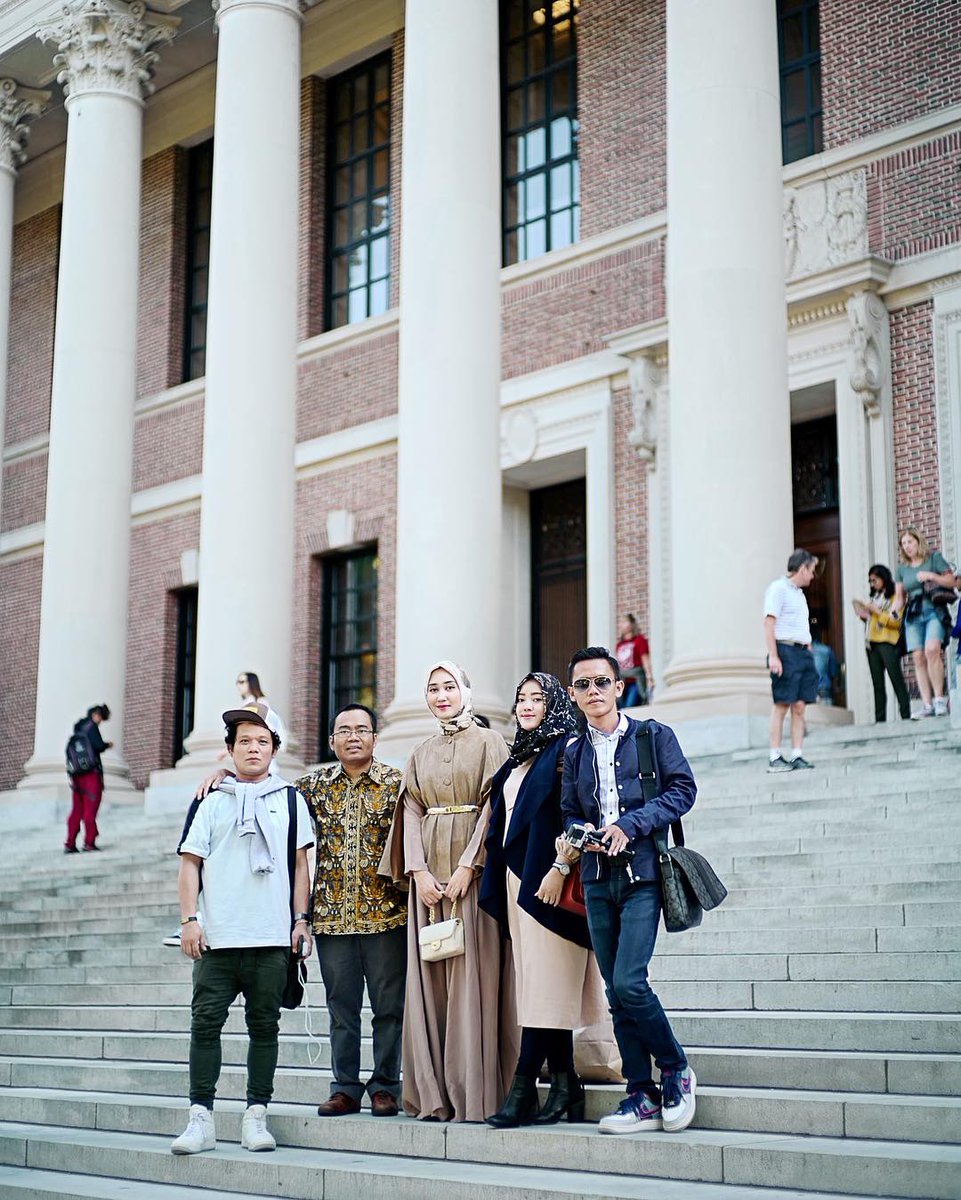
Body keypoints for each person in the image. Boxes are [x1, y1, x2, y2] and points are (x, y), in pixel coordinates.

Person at [192, 702, 408, 1118]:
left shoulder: (397, 784)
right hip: (330, 919)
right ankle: (344, 1087)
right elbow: (262, 785)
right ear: (331, 741)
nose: (353, 736)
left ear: (375, 739)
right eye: (344, 730)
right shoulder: (313, 786)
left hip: (387, 917)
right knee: (341, 1009)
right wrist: (224, 776)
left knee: (389, 1009)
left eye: (362, 729)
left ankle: (385, 1086)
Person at [560, 646, 697, 1135]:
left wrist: (630, 825)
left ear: (620, 687)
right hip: (596, 879)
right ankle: (640, 1092)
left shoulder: (652, 735)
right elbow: (570, 812)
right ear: (574, 695)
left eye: (602, 682)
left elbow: (683, 790)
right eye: (583, 685)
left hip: (643, 876)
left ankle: (676, 1067)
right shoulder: (573, 752)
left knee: (630, 983)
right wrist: (582, 833)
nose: (593, 691)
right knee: (616, 996)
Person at [170, 702, 314, 1156]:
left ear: (275, 750)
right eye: (244, 742)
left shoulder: (291, 799)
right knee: (205, 1026)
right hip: (217, 939)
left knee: (264, 1028)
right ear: (230, 750)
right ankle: (201, 1119)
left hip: (271, 938)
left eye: (262, 742)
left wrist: (301, 921)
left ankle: (256, 1115)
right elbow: (190, 864)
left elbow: (299, 867)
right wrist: (189, 920)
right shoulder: (210, 801)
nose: (254, 748)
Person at [379, 660, 515, 1123]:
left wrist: (467, 866)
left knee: (471, 975)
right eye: (433, 688)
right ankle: (434, 1093)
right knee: (432, 980)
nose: (441, 695)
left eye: (449, 686)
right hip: (429, 882)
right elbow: (411, 810)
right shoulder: (420, 751)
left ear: (466, 691)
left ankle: (474, 1092)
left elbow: (496, 806)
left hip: (470, 876)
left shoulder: (491, 742)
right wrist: (417, 871)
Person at [479, 672, 607, 1128]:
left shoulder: (567, 750)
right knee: (538, 988)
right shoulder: (517, 761)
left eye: (537, 698)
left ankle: (524, 1089)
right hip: (519, 883)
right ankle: (566, 1085)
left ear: (554, 702)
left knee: (544, 989)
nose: (527, 705)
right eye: (521, 698)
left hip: (552, 884)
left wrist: (560, 866)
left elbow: (581, 814)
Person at [763, 549, 819, 772]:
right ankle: (775, 756)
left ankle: (797, 754)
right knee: (782, 705)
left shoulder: (798, 593)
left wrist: (807, 645)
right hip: (785, 651)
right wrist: (774, 656)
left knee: (799, 705)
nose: (813, 576)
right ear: (802, 568)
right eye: (812, 571)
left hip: (803, 653)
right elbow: (769, 623)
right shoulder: (778, 589)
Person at [894, 526, 956, 718]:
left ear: (918, 541)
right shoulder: (902, 570)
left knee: (932, 650)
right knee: (918, 657)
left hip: (933, 611)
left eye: (910, 542)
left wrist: (931, 576)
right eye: (904, 544)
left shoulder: (933, 558)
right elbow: (899, 597)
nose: (907, 547)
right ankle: (927, 705)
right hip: (913, 615)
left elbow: (952, 581)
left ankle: (939, 700)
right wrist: (894, 611)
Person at [853, 564, 911, 723]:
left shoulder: (895, 597)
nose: (873, 584)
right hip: (871, 644)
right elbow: (872, 620)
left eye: (875, 580)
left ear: (883, 578)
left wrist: (877, 611)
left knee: (896, 680)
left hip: (887, 642)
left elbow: (896, 622)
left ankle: (906, 716)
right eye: (870, 581)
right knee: (877, 685)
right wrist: (864, 615)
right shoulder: (875, 597)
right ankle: (880, 721)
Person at [64, 704, 112, 854]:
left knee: (77, 809)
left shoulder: (78, 729)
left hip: (77, 775)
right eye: (101, 718)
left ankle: (70, 842)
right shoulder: (92, 728)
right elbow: (97, 746)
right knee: (90, 808)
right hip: (91, 775)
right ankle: (89, 842)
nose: (100, 721)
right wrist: (107, 745)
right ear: (96, 715)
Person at [614, 615, 653, 707]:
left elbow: (645, 659)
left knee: (630, 706)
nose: (621, 625)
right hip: (623, 681)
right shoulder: (619, 645)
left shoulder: (640, 640)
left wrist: (649, 677)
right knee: (621, 707)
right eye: (620, 622)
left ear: (631, 624)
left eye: (624, 622)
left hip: (636, 681)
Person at [809, 615, 839, 705]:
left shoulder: (802, 651)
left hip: (806, 690)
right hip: (824, 689)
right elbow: (834, 672)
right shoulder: (826, 650)